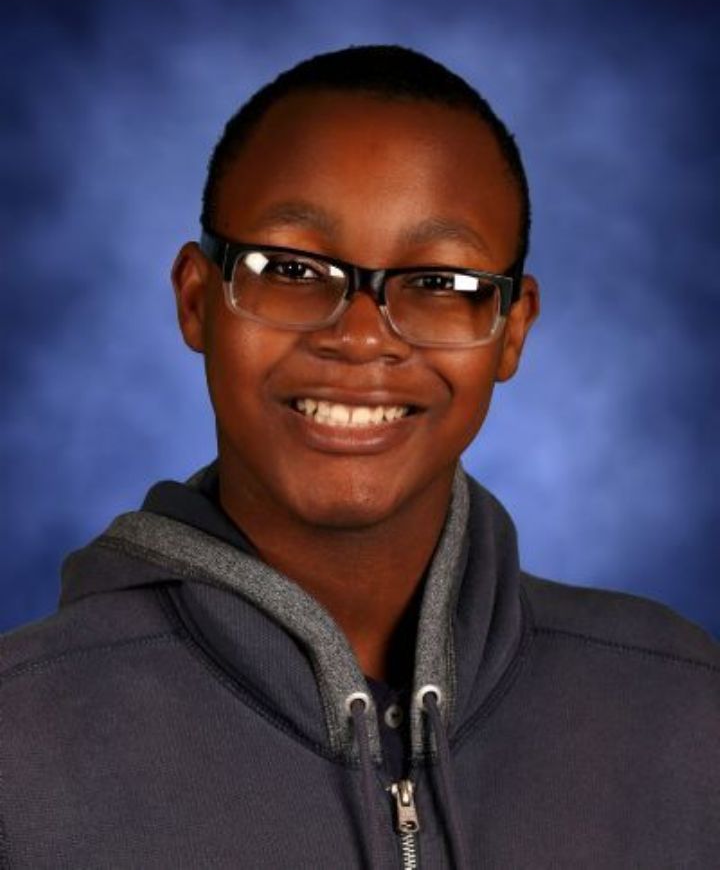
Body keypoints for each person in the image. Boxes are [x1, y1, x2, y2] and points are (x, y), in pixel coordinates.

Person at [1, 45, 717, 870]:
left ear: (511, 330)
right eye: (290, 268)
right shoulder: (22, 747)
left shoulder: (680, 705)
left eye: (440, 283)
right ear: (198, 300)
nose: (362, 336)